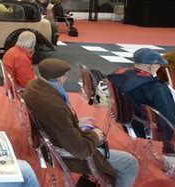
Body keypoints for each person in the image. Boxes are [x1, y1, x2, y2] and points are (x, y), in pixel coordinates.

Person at [25, 58, 139, 187]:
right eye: (65, 75)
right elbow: (81, 150)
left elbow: (57, 124)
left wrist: (75, 122)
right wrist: (94, 136)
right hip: (63, 153)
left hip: (49, 143)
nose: (66, 78)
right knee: (130, 162)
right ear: (60, 78)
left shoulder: (34, 87)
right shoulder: (54, 106)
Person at [108, 48, 175, 140]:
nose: (159, 67)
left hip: (133, 123)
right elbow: (172, 121)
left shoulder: (118, 78)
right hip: (153, 127)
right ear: (151, 66)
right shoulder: (157, 88)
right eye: (158, 65)